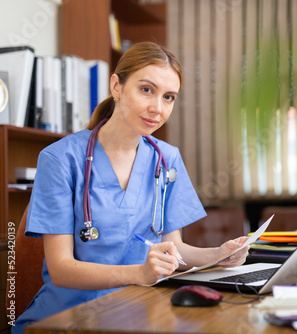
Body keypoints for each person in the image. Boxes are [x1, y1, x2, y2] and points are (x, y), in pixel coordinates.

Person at [13, 41, 249, 333]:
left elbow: (173, 249)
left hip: (138, 311)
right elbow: (61, 269)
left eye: (169, 97)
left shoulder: (167, 158)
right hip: (66, 319)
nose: (157, 109)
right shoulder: (60, 159)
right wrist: (140, 273)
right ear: (117, 86)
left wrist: (218, 254)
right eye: (146, 89)